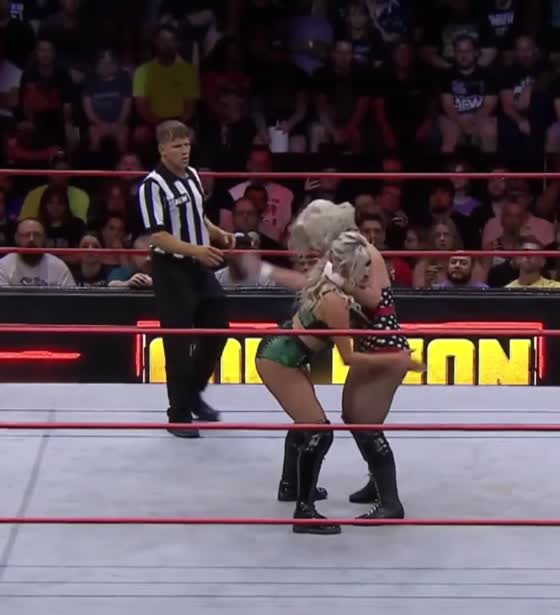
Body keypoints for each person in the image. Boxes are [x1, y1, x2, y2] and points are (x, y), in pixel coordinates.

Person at [244, 199, 422, 517]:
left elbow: (373, 299)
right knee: (348, 417)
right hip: (349, 349)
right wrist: (267, 270)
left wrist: (337, 280)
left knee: (360, 422)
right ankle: (310, 487)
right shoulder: (339, 261)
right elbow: (311, 284)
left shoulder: (361, 254)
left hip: (384, 347)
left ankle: (390, 502)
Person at [138, 120, 235, 439]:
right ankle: (178, 414)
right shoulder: (152, 186)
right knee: (178, 342)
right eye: (177, 146)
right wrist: (197, 250)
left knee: (218, 326)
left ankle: (192, 392)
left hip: (199, 265)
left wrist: (217, 233)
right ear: (162, 149)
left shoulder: (192, 175)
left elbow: (197, 215)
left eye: (187, 145)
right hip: (171, 269)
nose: (184, 151)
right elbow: (158, 236)